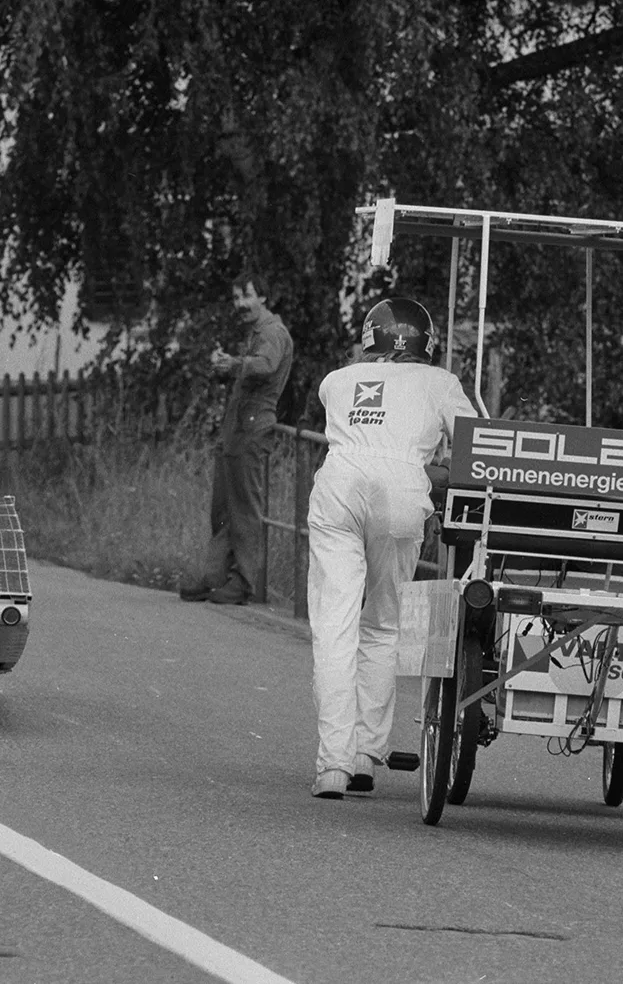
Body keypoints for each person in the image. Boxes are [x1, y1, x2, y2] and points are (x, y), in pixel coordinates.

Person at [305, 296, 475, 799]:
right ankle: (365, 755)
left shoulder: (336, 381)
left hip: (339, 485)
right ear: (426, 344)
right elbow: (476, 447)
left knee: (334, 626)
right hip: (403, 492)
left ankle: (331, 765)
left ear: (368, 339)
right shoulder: (441, 384)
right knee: (382, 624)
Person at [179, 273, 294, 605]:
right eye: (235, 297)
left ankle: (243, 583)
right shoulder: (258, 333)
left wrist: (233, 364)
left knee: (243, 508)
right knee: (224, 507)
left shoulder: (272, 332)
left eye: (246, 295)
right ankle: (215, 576)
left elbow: (266, 366)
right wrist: (229, 366)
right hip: (238, 427)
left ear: (264, 298)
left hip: (253, 427)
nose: (240, 303)